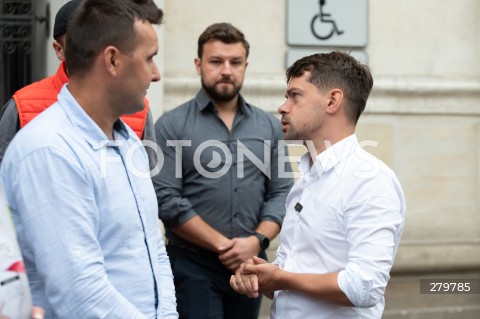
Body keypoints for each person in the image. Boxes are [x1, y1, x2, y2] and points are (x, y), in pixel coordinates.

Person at [0, 0, 178, 317]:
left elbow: (154, 253)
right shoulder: (49, 148)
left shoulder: (129, 143)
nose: (156, 74)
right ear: (112, 60)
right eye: (149, 58)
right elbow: (80, 293)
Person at [230, 51, 406, 319]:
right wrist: (262, 276)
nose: (283, 106)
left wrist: (281, 278)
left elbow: (364, 287)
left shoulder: (370, 180)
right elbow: (298, 271)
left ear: (332, 100)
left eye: (295, 95)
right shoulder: (307, 178)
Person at [153, 22, 293, 318]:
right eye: (216, 61)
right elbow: (165, 198)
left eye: (235, 62)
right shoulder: (171, 125)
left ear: (245, 66)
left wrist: (256, 241)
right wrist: (225, 246)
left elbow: (281, 192)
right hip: (192, 265)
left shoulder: (269, 126)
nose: (226, 70)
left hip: (252, 264)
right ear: (198, 64)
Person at [0, 0, 157, 169]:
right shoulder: (22, 106)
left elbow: (149, 179)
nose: (90, 47)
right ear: (59, 50)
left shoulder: (137, 106)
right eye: (78, 41)